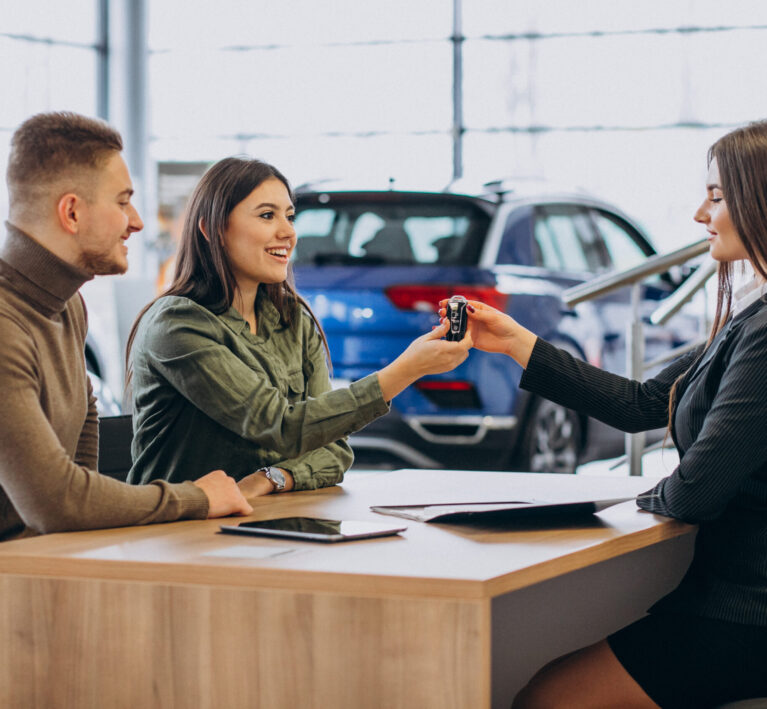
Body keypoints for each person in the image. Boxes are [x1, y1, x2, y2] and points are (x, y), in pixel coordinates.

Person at [450, 121, 767, 708]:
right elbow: (641, 404)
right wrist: (518, 341)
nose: (701, 213)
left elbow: (696, 492)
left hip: (748, 613)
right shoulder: (750, 318)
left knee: (548, 699)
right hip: (731, 600)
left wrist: (639, 500)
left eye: (717, 196)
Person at [126, 157, 470, 498]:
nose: (288, 232)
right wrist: (407, 369)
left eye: (290, 217)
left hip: (266, 526)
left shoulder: (293, 318)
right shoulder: (177, 324)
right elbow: (283, 427)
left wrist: (272, 478)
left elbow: (334, 450)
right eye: (266, 215)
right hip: (179, 534)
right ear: (212, 228)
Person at [0, 111, 254, 541]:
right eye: (122, 201)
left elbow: (78, 480)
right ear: (72, 212)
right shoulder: (7, 324)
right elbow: (57, 502)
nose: (136, 221)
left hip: (39, 571)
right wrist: (196, 497)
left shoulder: (69, 308)